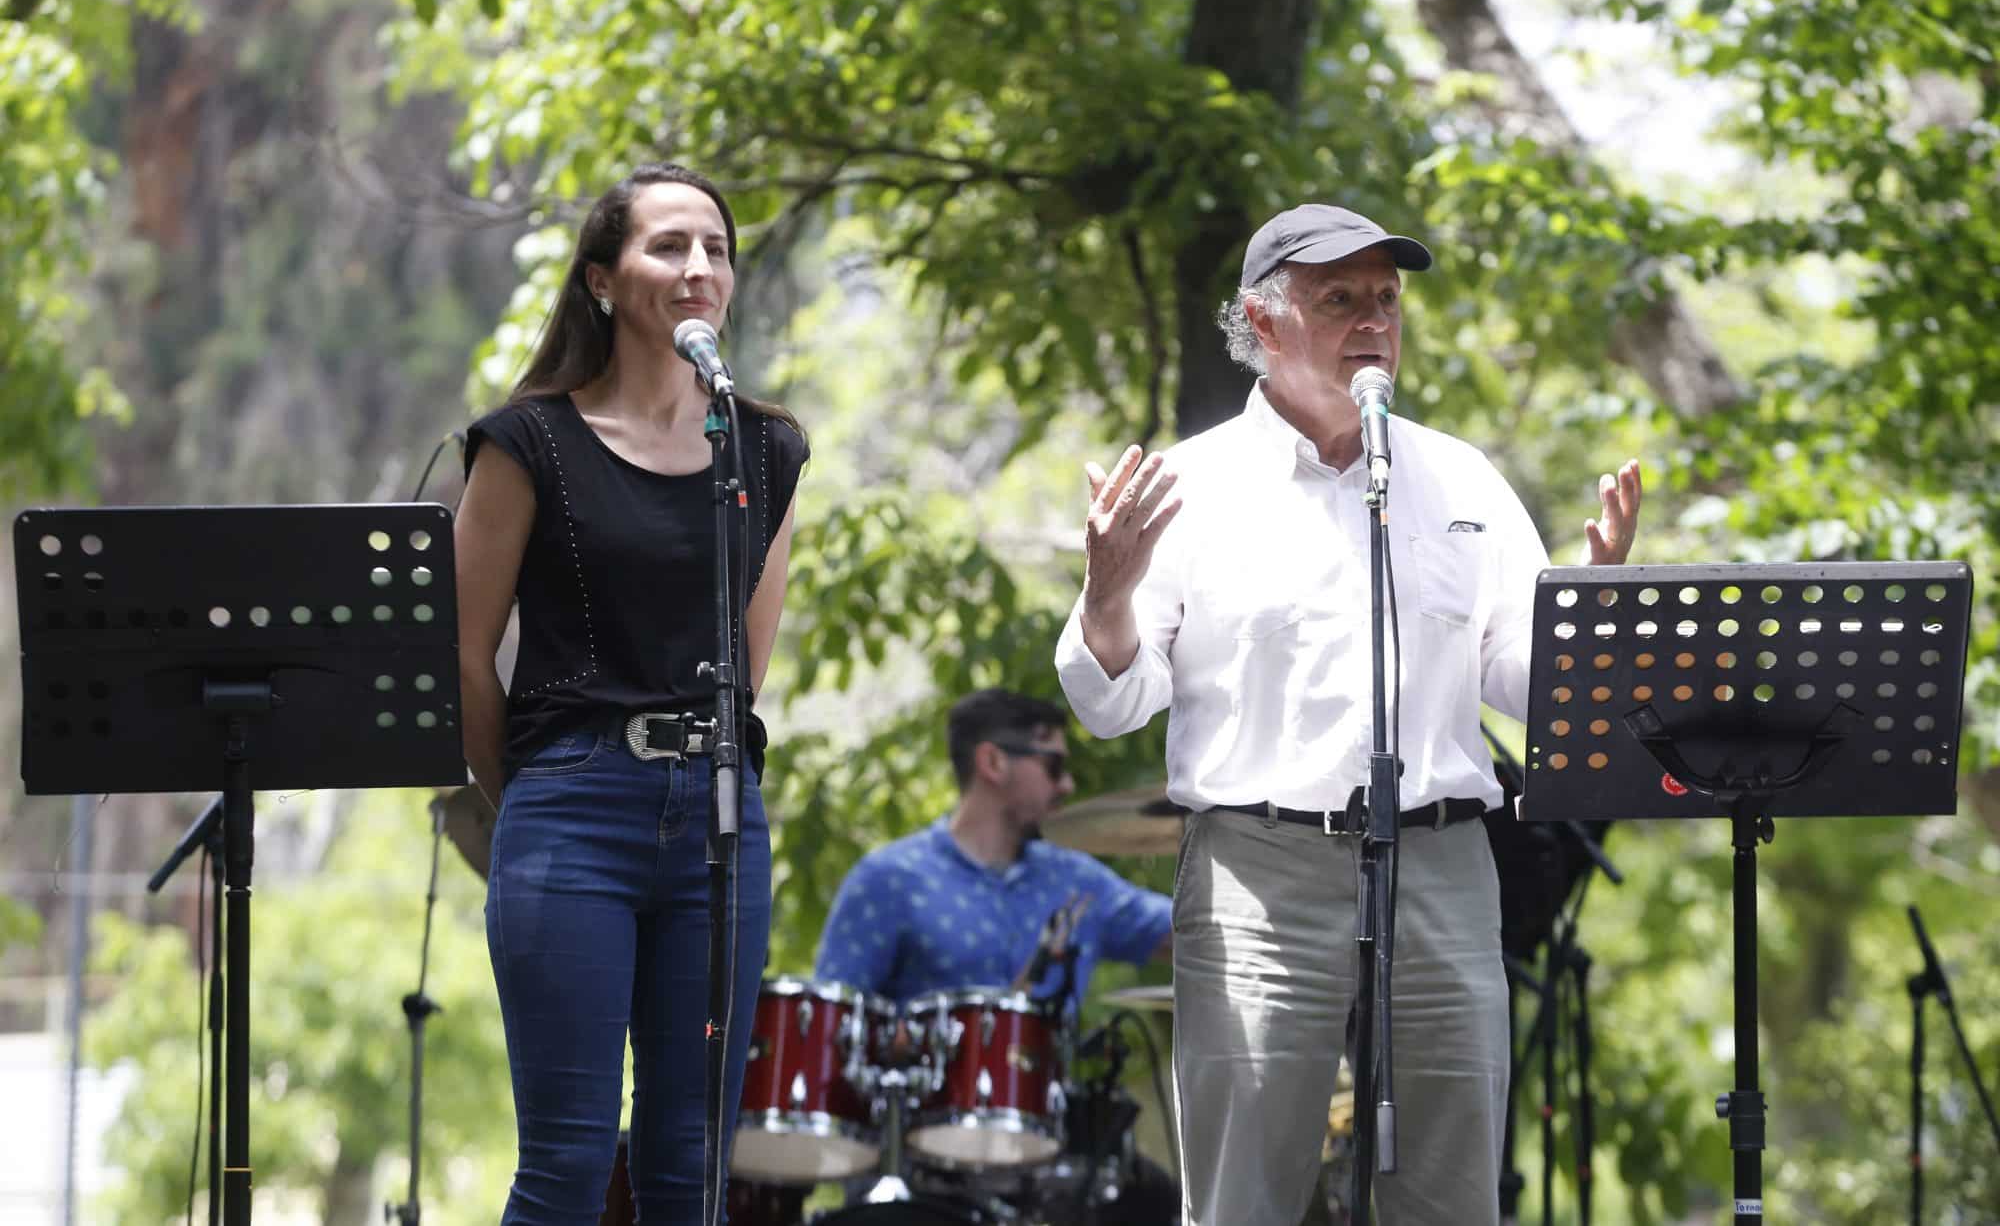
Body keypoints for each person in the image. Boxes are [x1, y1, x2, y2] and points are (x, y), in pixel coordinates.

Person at [1052, 203, 1643, 1226]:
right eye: (1339, 299)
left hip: (1443, 866)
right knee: (1242, 1202)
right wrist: (1106, 594)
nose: (1373, 321)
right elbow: (1111, 702)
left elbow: (1523, 684)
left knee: (1453, 1202)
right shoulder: (1190, 484)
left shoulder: (1459, 477)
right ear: (1263, 321)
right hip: (1258, 875)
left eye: (1386, 299)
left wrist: (1589, 614)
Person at [455, 161, 809, 1223]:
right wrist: (525, 796)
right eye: (668, 245)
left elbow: (748, 663)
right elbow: (462, 654)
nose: (699, 267)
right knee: (566, 1162)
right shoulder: (529, 444)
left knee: (691, 1166)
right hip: (572, 805)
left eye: (716, 249)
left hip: (719, 816)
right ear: (602, 280)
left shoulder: (764, 448)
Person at [815, 688, 1171, 1011]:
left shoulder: (1078, 881)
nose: (1067, 784)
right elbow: (825, 1025)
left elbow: (1188, 931)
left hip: (1049, 1066)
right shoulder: (888, 879)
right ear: (993, 763)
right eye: (1054, 766)